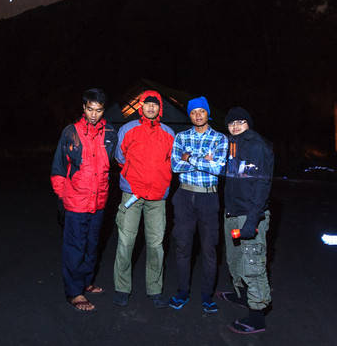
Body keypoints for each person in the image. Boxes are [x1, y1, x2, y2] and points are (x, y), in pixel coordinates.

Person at [51, 88, 118, 312]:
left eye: (98, 110)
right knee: (75, 247)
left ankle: (86, 281)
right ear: (83, 108)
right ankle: (74, 292)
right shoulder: (71, 132)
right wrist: (63, 198)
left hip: (99, 201)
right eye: (90, 109)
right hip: (76, 202)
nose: (93, 114)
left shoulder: (110, 133)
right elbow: (59, 168)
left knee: (92, 245)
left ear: (103, 110)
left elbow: (114, 164)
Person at [113, 90, 175, 309]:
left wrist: (160, 180)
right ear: (141, 106)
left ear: (160, 108)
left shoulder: (168, 133)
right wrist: (134, 177)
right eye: (147, 104)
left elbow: (172, 161)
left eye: (155, 104)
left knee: (156, 245)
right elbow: (120, 157)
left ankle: (155, 289)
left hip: (157, 197)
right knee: (126, 242)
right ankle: (122, 288)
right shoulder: (127, 129)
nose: (151, 107)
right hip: (132, 193)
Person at [168, 96, 228, 314]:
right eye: (193, 112)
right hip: (184, 196)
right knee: (183, 247)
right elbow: (175, 166)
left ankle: (206, 296)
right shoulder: (181, 137)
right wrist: (204, 160)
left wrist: (190, 158)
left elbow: (218, 168)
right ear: (189, 115)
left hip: (208, 198)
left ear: (207, 113)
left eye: (201, 111)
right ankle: (182, 292)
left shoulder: (220, 138)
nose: (198, 115)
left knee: (209, 249)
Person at [218, 106, 274, 334]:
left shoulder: (258, 145)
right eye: (231, 123)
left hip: (250, 215)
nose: (235, 126)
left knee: (252, 263)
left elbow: (263, 184)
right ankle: (242, 295)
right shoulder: (233, 144)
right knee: (235, 258)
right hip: (233, 213)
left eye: (240, 122)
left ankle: (257, 317)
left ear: (248, 123)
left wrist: (253, 219)